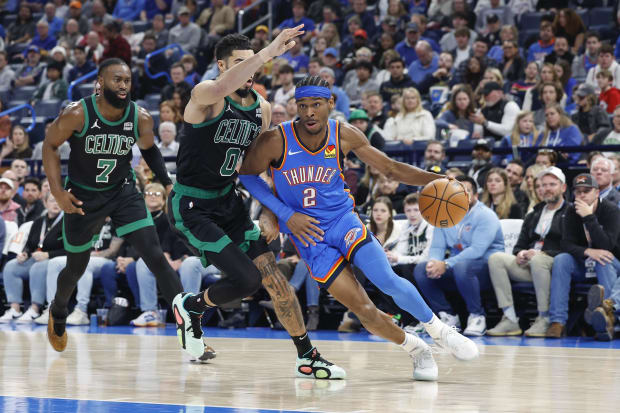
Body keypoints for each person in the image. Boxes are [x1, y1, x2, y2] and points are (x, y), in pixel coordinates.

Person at [239, 75, 479, 381]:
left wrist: (435, 179)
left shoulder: (344, 134)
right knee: (364, 310)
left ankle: (440, 331)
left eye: (315, 105)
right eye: (302, 105)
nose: (309, 112)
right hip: (309, 236)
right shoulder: (276, 139)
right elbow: (247, 175)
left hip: (343, 221)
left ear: (330, 104)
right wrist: (284, 214)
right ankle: (417, 349)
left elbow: (390, 168)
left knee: (386, 280)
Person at [169, 30, 345, 377]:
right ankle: (192, 306)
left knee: (272, 276)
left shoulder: (262, 109)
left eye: (252, 63)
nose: (250, 70)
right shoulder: (205, 94)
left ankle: (306, 354)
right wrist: (265, 53)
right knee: (247, 279)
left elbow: (260, 171)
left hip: (229, 202)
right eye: (240, 63)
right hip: (192, 206)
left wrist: (270, 212)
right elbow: (220, 88)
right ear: (221, 65)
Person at [41, 58, 190, 356]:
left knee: (155, 255)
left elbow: (149, 150)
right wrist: (57, 191)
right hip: (83, 197)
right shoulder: (78, 113)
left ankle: (189, 326)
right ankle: (58, 311)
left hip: (123, 192)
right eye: (116, 79)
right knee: (75, 267)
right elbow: (49, 145)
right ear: (100, 82)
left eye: (127, 80)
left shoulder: (141, 117)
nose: (123, 85)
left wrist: (168, 183)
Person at [413, 175, 504, 336]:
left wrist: (446, 264)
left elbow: (477, 250)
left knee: (462, 266)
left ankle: (477, 316)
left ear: (475, 195)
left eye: (466, 191)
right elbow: (437, 247)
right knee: (421, 270)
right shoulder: (443, 214)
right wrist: (434, 262)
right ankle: (447, 315)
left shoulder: (485, 215)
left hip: (487, 267)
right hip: (457, 268)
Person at [487, 166, 568, 337]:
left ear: (563, 187)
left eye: (552, 184)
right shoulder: (534, 214)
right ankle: (509, 318)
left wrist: (544, 254)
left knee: (539, 260)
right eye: (543, 185)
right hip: (530, 265)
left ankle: (544, 318)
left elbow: (570, 245)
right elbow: (519, 244)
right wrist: (521, 253)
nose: (547, 189)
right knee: (496, 259)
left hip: (555, 265)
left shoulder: (570, 212)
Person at [547, 174, 620, 338]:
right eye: (578, 192)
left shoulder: (611, 210)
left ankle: (609, 318)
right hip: (584, 262)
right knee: (561, 259)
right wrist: (587, 251)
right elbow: (565, 244)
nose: (581, 195)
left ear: (597, 192)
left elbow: (607, 245)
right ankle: (557, 321)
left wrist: (589, 217)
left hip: (611, 263)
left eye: (586, 191)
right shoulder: (571, 211)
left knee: (603, 258)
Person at [0, 193, 63, 323]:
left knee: (37, 267)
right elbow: (30, 245)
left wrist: (48, 255)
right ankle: (15, 309)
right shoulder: (39, 222)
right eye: (52, 200)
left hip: (57, 260)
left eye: (59, 201)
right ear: (45, 203)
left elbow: (71, 249)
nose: (56, 204)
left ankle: (35, 309)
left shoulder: (68, 222)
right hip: (37, 257)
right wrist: (25, 254)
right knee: (11, 266)